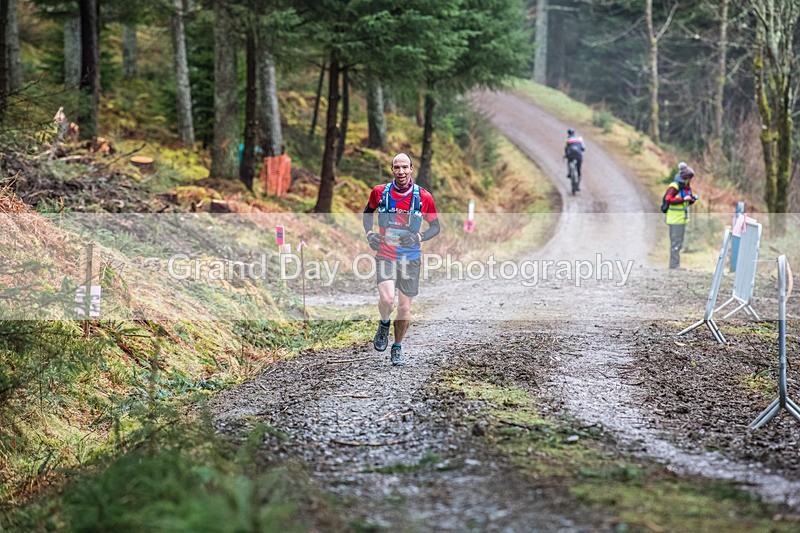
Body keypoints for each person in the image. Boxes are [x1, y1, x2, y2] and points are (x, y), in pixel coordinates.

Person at [362, 153, 440, 366]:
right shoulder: (379, 192)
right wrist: (370, 234)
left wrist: (418, 236)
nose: (401, 172)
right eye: (397, 167)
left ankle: (397, 347)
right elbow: (367, 212)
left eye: (405, 167)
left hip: (411, 258)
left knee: (404, 309)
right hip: (386, 255)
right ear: (392, 169)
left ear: (411, 169)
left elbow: (435, 227)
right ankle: (384, 323)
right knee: (387, 300)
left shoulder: (424, 197)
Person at [664, 165, 698, 269]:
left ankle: (675, 264)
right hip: (674, 219)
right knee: (675, 242)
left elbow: (685, 202)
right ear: (686, 178)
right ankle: (674, 266)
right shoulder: (674, 187)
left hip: (681, 219)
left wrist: (691, 199)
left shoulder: (686, 188)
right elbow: (668, 199)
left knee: (679, 242)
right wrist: (683, 200)